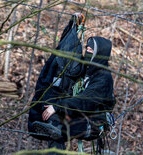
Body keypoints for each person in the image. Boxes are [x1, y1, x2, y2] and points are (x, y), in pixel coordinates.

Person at [32, 36, 115, 152]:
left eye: (91, 50)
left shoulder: (103, 78)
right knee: (53, 123)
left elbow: (85, 101)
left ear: (99, 54)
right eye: (87, 49)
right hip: (80, 114)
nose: (87, 52)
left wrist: (58, 106)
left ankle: (57, 130)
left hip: (94, 122)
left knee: (57, 129)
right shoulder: (86, 70)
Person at [28, 14, 86, 150]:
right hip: (56, 106)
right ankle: (55, 127)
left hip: (66, 112)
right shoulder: (65, 57)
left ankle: (56, 127)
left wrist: (56, 107)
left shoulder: (96, 75)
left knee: (57, 134)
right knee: (55, 134)